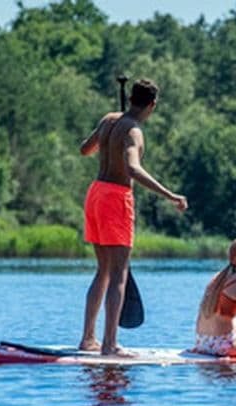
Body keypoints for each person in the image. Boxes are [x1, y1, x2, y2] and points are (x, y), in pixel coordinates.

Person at [78, 79, 188, 356]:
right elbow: (132, 168)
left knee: (103, 271)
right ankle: (110, 345)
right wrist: (170, 195)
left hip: (95, 194)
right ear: (152, 105)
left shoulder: (109, 120)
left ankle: (88, 339)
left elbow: (85, 149)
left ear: (129, 98)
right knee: (118, 275)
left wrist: (109, 138)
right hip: (116, 199)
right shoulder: (134, 131)